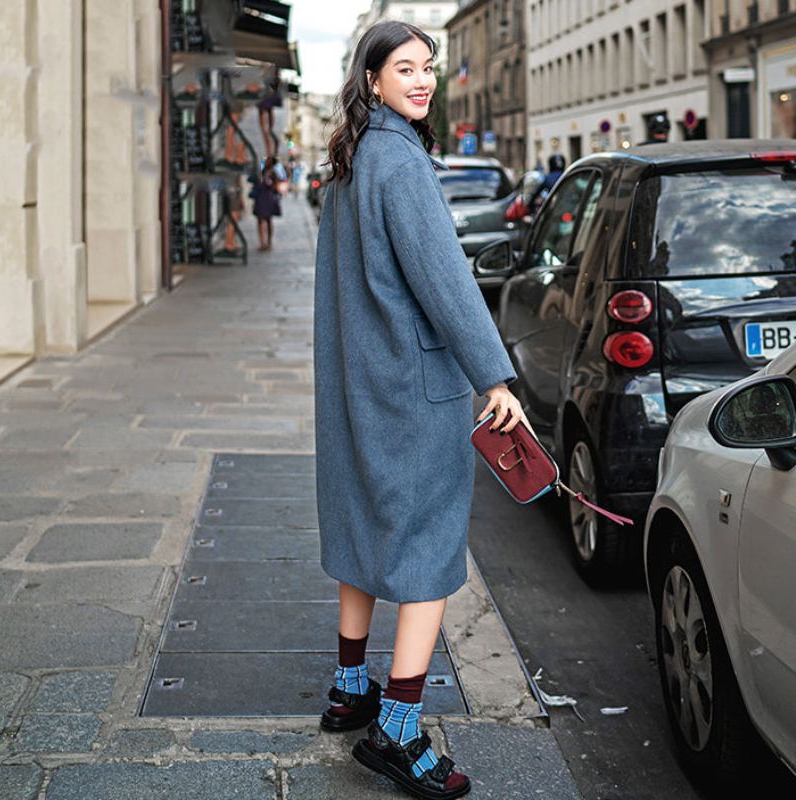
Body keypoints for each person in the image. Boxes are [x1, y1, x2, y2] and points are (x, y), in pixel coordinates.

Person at [313, 19, 533, 800]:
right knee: (430, 550)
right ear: (370, 77)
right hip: (410, 386)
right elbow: (448, 285)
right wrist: (495, 379)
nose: (423, 80)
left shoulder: (349, 156)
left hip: (356, 379)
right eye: (404, 68)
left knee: (360, 521)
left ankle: (350, 686)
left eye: (428, 67)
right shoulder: (400, 164)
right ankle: (397, 733)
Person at [247, 157, 281, 250]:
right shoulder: (260, 172)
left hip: (268, 198)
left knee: (268, 220)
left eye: (268, 160)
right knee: (260, 220)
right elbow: (251, 180)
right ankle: (262, 242)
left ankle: (269, 241)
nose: (266, 161)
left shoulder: (274, 174)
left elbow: (277, 187)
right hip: (260, 197)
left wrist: (271, 185)